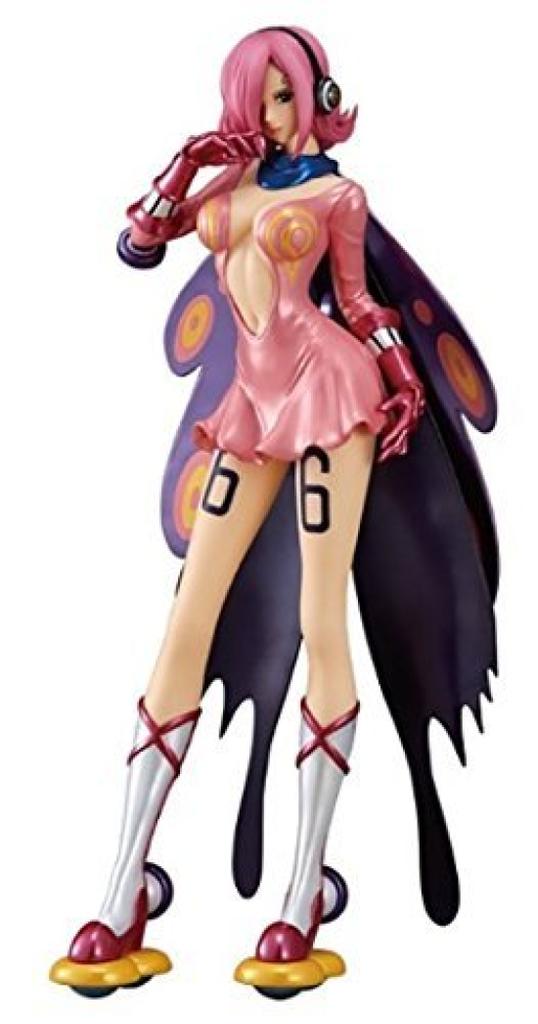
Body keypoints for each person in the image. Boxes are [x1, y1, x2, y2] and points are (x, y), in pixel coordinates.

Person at [50, 25, 496, 1000]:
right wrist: (186, 164)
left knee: (318, 615)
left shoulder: (338, 196)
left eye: (290, 94)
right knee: (187, 616)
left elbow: (357, 302)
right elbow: (137, 243)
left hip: (331, 395)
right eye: (263, 97)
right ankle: (121, 887)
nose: (279, 113)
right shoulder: (225, 191)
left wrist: (400, 379)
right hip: (249, 406)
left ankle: (301, 896)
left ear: (318, 93)